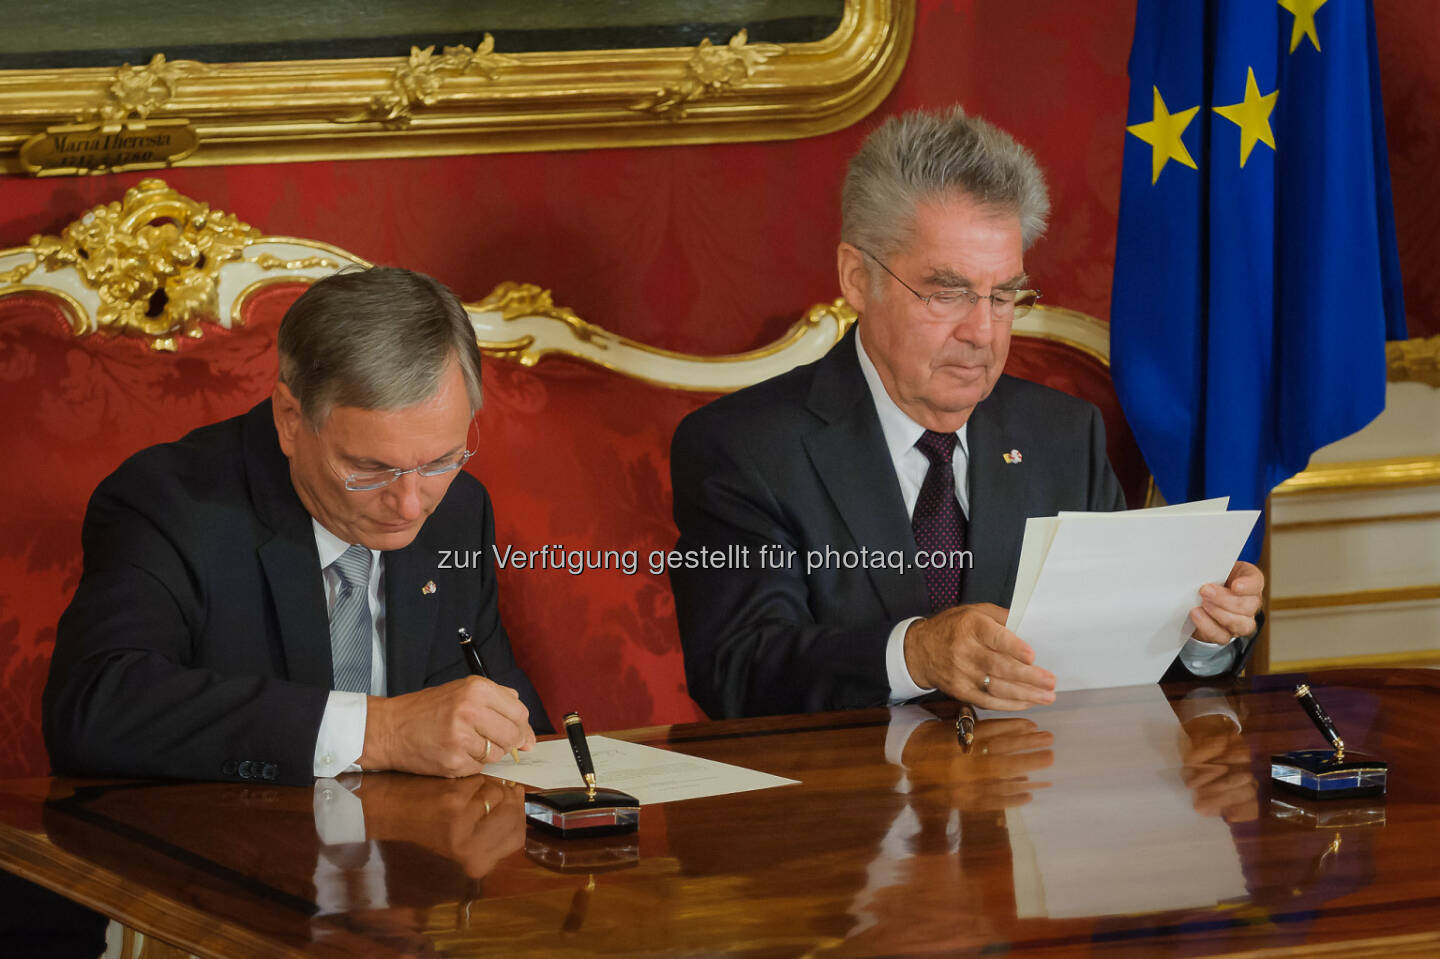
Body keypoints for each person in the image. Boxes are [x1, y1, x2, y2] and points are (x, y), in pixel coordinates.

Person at [669, 106, 1264, 720]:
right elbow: (737, 668)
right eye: (946, 293)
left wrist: (1201, 635)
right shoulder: (747, 449)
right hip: (852, 804)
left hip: (1033, 798)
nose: (982, 332)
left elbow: (1115, 660)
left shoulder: (1063, 434)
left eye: (1004, 295)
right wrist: (914, 654)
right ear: (857, 277)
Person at [44, 267, 550, 786]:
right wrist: (383, 731)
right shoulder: (173, 503)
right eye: (371, 468)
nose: (409, 503)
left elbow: (512, 725)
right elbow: (93, 708)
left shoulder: (459, 511)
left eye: (441, 460)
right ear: (290, 418)